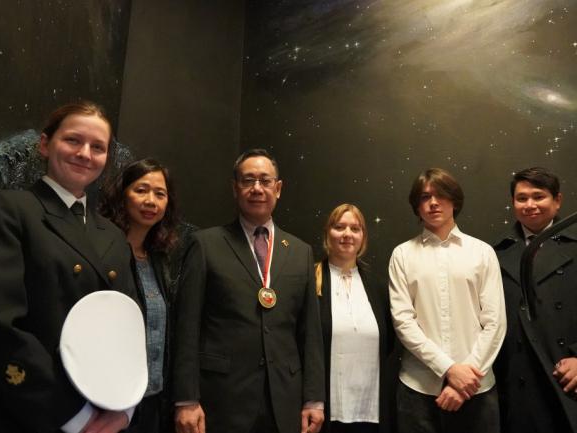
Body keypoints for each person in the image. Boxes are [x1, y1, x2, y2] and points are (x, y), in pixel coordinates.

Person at [0, 101, 138, 433]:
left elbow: (127, 330)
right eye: (73, 140)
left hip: (102, 415)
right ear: (45, 144)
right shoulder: (5, 211)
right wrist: (75, 417)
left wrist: (124, 409)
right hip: (25, 413)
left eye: (97, 147)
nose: (85, 154)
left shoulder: (113, 235)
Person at [172, 148, 325, 433]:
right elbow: (187, 326)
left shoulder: (300, 251)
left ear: (278, 189)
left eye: (265, 181)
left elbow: (310, 333)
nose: (257, 188)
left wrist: (314, 399)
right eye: (248, 180)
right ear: (235, 188)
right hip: (223, 397)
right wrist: (186, 399)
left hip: (285, 400)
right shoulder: (205, 245)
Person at [388, 168, 506, 433]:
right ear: (416, 206)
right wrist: (449, 369)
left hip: (477, 388)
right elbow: (403, 322)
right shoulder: (402, 255)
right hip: (418, 389)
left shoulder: (482, 252)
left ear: (454, 200)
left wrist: (465, 379)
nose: (433, 203)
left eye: (441, 195)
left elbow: (495, 322)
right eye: (425, 197)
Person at [493, 167, 577, 433]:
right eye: (522, 198)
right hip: (516, 381)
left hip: (566, 375)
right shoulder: (494, 253)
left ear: (557, 200)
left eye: (538, 196)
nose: (530, 205)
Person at [100, 158, 180, 433]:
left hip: (153, 401)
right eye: (141, 190)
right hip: (109, 402)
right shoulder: (101, 253)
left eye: (160, 194)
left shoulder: (159, 258)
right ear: (122, 195)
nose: (151, 201)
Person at [316, 204, 397, 433]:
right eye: (339, 227)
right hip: (326, 410)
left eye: (355, 228)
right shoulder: (310, 282)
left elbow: (389, 342)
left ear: (363, 237)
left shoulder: (378, 287)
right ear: (327, 233)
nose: (347, 234)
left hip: (370, 409)